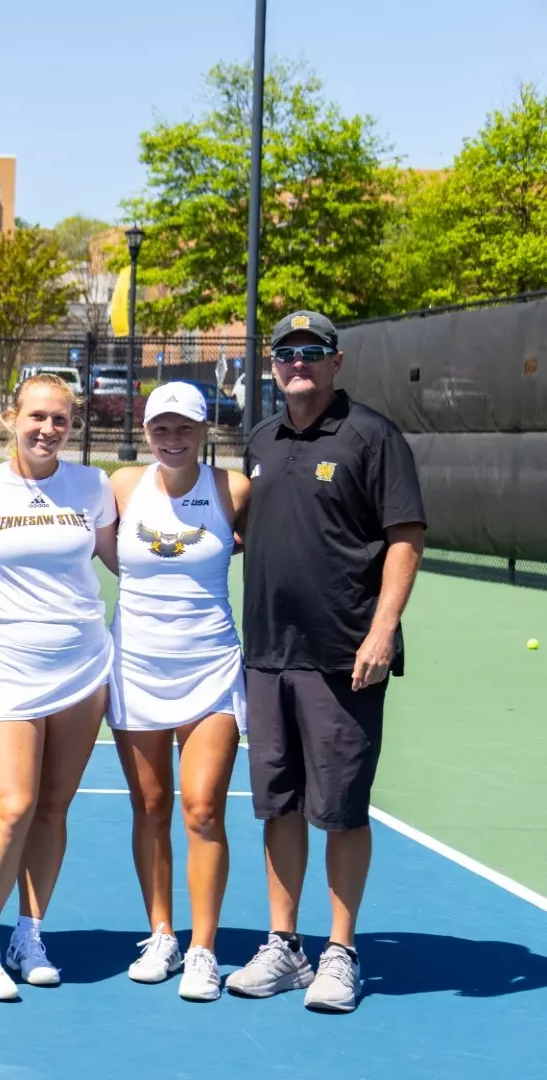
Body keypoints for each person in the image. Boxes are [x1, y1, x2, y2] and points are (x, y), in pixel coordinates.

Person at [226, 311, 425, 1014]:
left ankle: (341, 953)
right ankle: (285, 946)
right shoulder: (260, 439)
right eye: (286, 353)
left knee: (340, 809)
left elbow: (404, 537)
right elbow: (247, 529)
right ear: (272, 365)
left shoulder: (373, 436)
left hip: (344, 658)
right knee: (277, 804)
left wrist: (382, 632)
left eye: (312, 351)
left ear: (336, 362)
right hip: (268, 658)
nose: (298, 362)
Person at [0, 372, 119, 1001]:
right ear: (10, 417)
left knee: (53, 808)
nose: (48, 429)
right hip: (11, 669)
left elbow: (116, 559)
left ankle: (30, 932)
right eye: (37, 417)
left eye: (61, 419)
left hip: (84, 666)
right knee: (13, 806)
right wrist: (18, 621)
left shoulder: (93, 485)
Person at [106, 382, 250, 1003]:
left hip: (212, 668)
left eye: (184, 427)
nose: (172, 439)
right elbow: (105, 552)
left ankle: (202, 950)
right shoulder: (120, 486)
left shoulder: (233, 489)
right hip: (135, 668)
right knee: (151, 807)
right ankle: (161, 933)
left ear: (204, 431)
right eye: (161, 428)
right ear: (146, 432)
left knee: (202, 809)